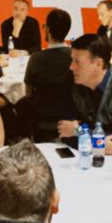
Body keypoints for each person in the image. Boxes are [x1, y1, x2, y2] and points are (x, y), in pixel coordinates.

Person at [21, 8, 74, 142]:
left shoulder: (36, 59)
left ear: (48, 29)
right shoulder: (75, 56)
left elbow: (28, 93)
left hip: (41, 117)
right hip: (70, 114)